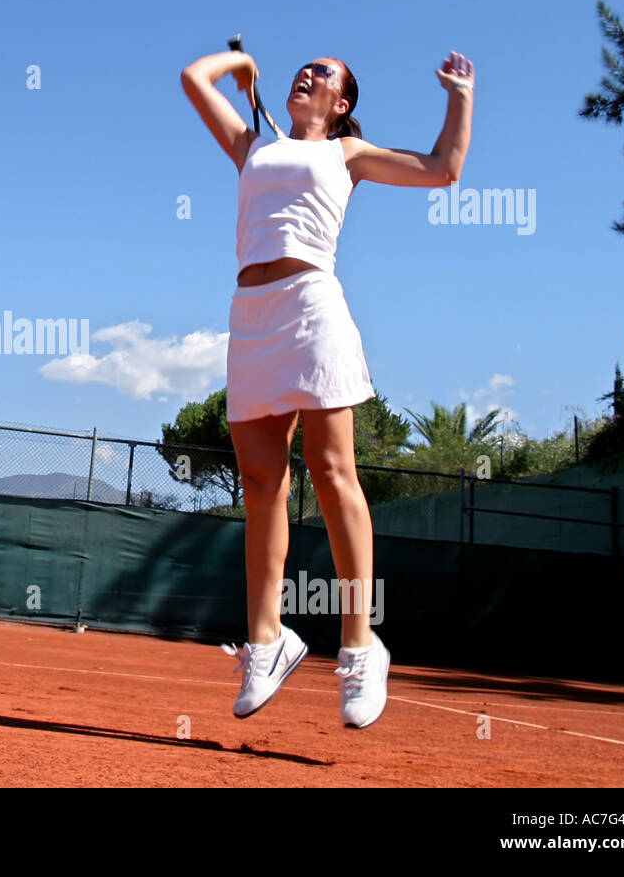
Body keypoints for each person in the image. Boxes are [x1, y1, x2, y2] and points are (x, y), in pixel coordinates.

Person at [180, 48, 474, 727]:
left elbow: (443, 169)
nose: (307, 74)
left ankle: (360, 644)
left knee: (333, 468)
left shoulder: (350, 154)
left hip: (312, 305)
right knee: (260, 486)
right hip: (250, 315)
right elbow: (194, 79)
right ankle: (267, 638)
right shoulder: (251, 143)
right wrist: (242, 63)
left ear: (342, 103)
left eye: (324, 73)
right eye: (303, 67)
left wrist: (459, 95)